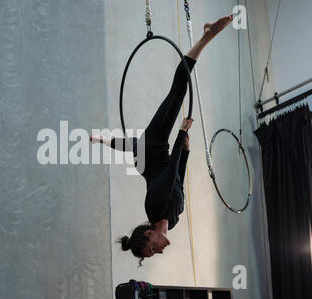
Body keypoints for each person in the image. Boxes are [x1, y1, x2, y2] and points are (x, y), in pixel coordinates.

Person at [90, 15, 234, 266]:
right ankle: (103, 140)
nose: (159, 251)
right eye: (155, 253)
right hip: (154, 159)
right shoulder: (174, 220)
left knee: (177, 93)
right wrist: (186, 152)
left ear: (149, 233)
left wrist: (180, 135)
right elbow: (178, 179)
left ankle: (206, 36)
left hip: (152, 153)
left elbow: (168, 176)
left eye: (152, 249)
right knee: (134, 144)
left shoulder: (154, 208)